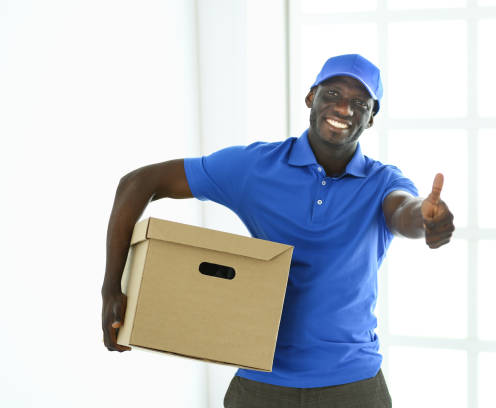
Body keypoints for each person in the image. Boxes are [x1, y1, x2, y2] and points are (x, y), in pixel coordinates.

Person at [101, 54, 455, 408]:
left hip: (353, 387)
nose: (344, 107)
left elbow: (404, 212)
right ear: (310, 98)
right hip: (260, 384)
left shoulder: (383, 182)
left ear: (371, 118)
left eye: (360, 102)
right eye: (333, 94)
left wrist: (426, 220)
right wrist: (111, 289)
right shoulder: (256, 167)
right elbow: (138, 182)